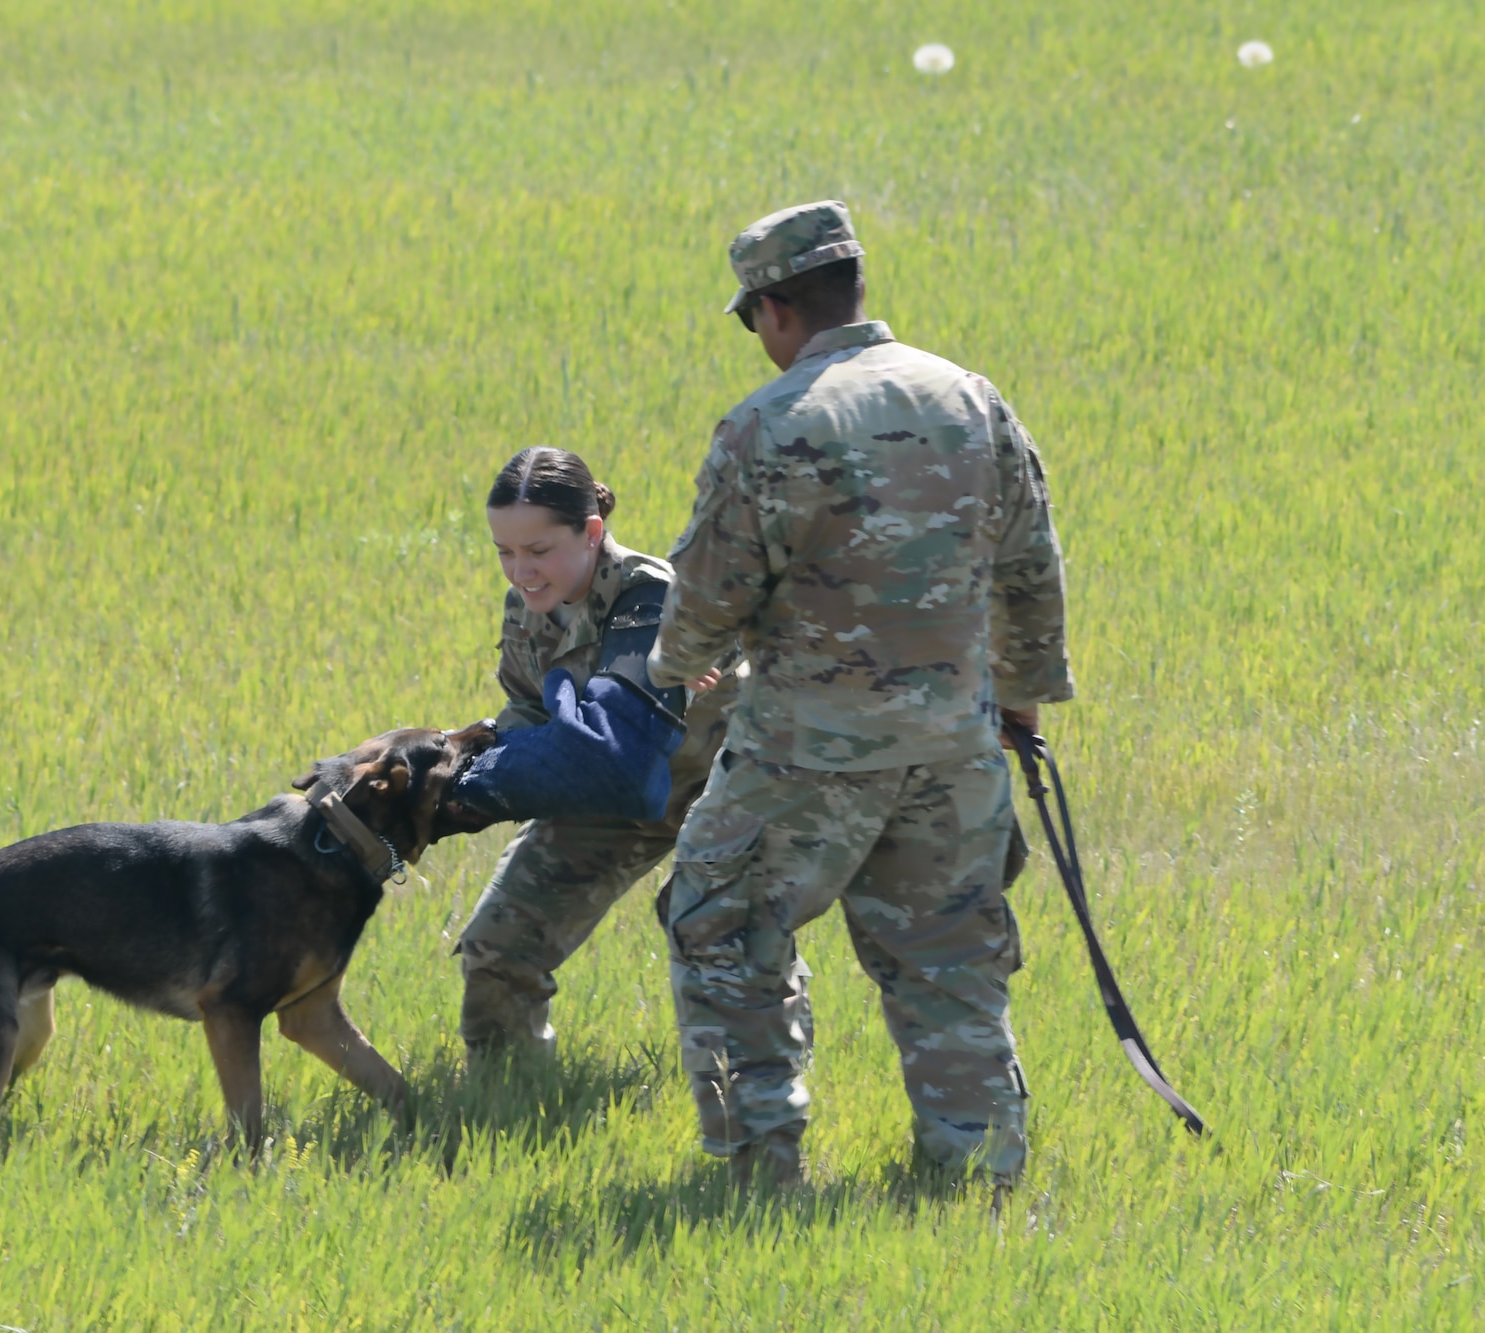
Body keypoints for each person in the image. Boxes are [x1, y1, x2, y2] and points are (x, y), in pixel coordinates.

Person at [646, 201, 1073, 1190]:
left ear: (776, 308)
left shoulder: (769, 423)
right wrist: (1018, 700)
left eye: (753, 316)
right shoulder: (967, 397)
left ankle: (758, 1161)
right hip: (951, 752)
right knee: (947, 963)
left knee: (717, 921)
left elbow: (706, 600)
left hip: (803, 758)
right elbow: (1028, 564)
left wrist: (677, 666)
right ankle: (976, 1172)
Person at [455, 448, 735, 1058]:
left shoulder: (648, 594)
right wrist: (450, 771)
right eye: (504, 552)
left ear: (590, 532)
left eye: (537, 551)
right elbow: (527, 711)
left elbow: (618, 750)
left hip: (727, 791)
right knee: (500, 944)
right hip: (612, 797)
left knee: (718, 932)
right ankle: (506, 1102)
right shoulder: (528, 605)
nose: (520, 571)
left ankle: (745, 1106)